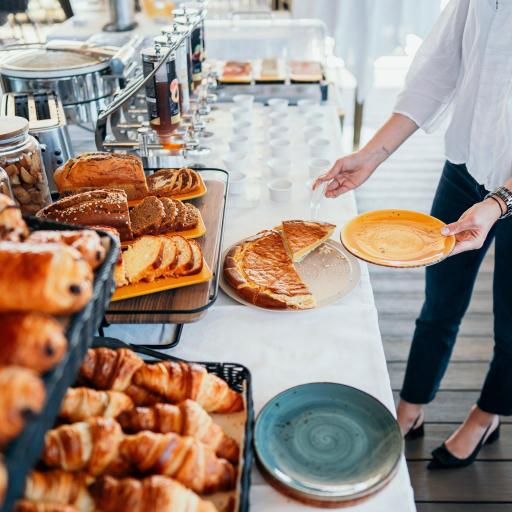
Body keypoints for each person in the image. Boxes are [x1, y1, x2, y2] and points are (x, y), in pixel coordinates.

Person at [314, 0, 512, 469]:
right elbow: (440, 70)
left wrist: (499, 203)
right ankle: (412, 405)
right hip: (467, 164)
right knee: (440, 301)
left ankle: (486, 415)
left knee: (510, 325)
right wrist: (372, 154)